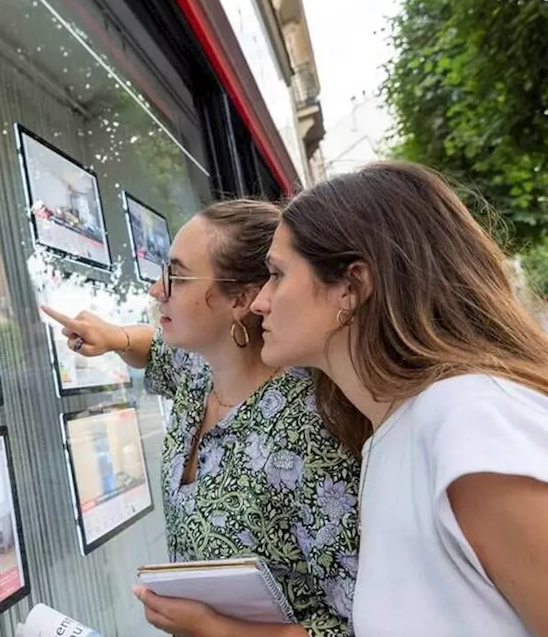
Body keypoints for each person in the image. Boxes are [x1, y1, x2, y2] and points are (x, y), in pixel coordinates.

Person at [249, 162, 548, 636]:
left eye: (276, 275)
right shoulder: (401, 432)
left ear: (351, 287)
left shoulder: (476, 427)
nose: (258, 302)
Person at [41, 199, 362, 637]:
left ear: (244, 299)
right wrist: (114, 337)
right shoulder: (198, 370)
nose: (158, 290)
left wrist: (216, 629)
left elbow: (354, 625)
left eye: (177, 275)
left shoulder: (313, 433)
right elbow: (152, 348)